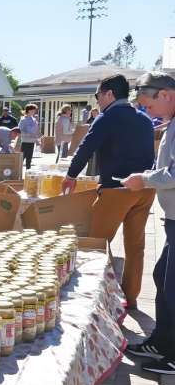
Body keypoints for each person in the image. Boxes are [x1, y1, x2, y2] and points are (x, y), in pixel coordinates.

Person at [63, 73, 157, 308]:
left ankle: (95, 301)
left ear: (109, 94)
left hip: (117, 188)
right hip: (145, 188)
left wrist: (71, 175)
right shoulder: (144, 118)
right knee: (135, 247)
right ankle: (131, 298)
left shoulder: (107, 117)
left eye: (98, 95)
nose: (97, 101)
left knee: (96, 245)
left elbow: (86, 147)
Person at [123, 75, 175, 371]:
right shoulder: (170, 122)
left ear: (165, 95)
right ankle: (162, 342)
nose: (150, 114)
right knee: (162, 279)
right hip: (171, 218)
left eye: (150, 105)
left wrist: (145, 180)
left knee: (172, 286)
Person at [19, 104, 40, 169]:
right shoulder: (23, 120)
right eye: (34, 110)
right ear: (29, 110)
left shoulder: (34, 120)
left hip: (32, 142)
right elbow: (19, 131)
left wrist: (37, 141)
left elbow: (36, 131)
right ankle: (18, 173)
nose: (35, 111)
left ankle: (28, 172)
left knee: (29, 159)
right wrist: (29, 134)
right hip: (25, 142)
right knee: (22, 159)